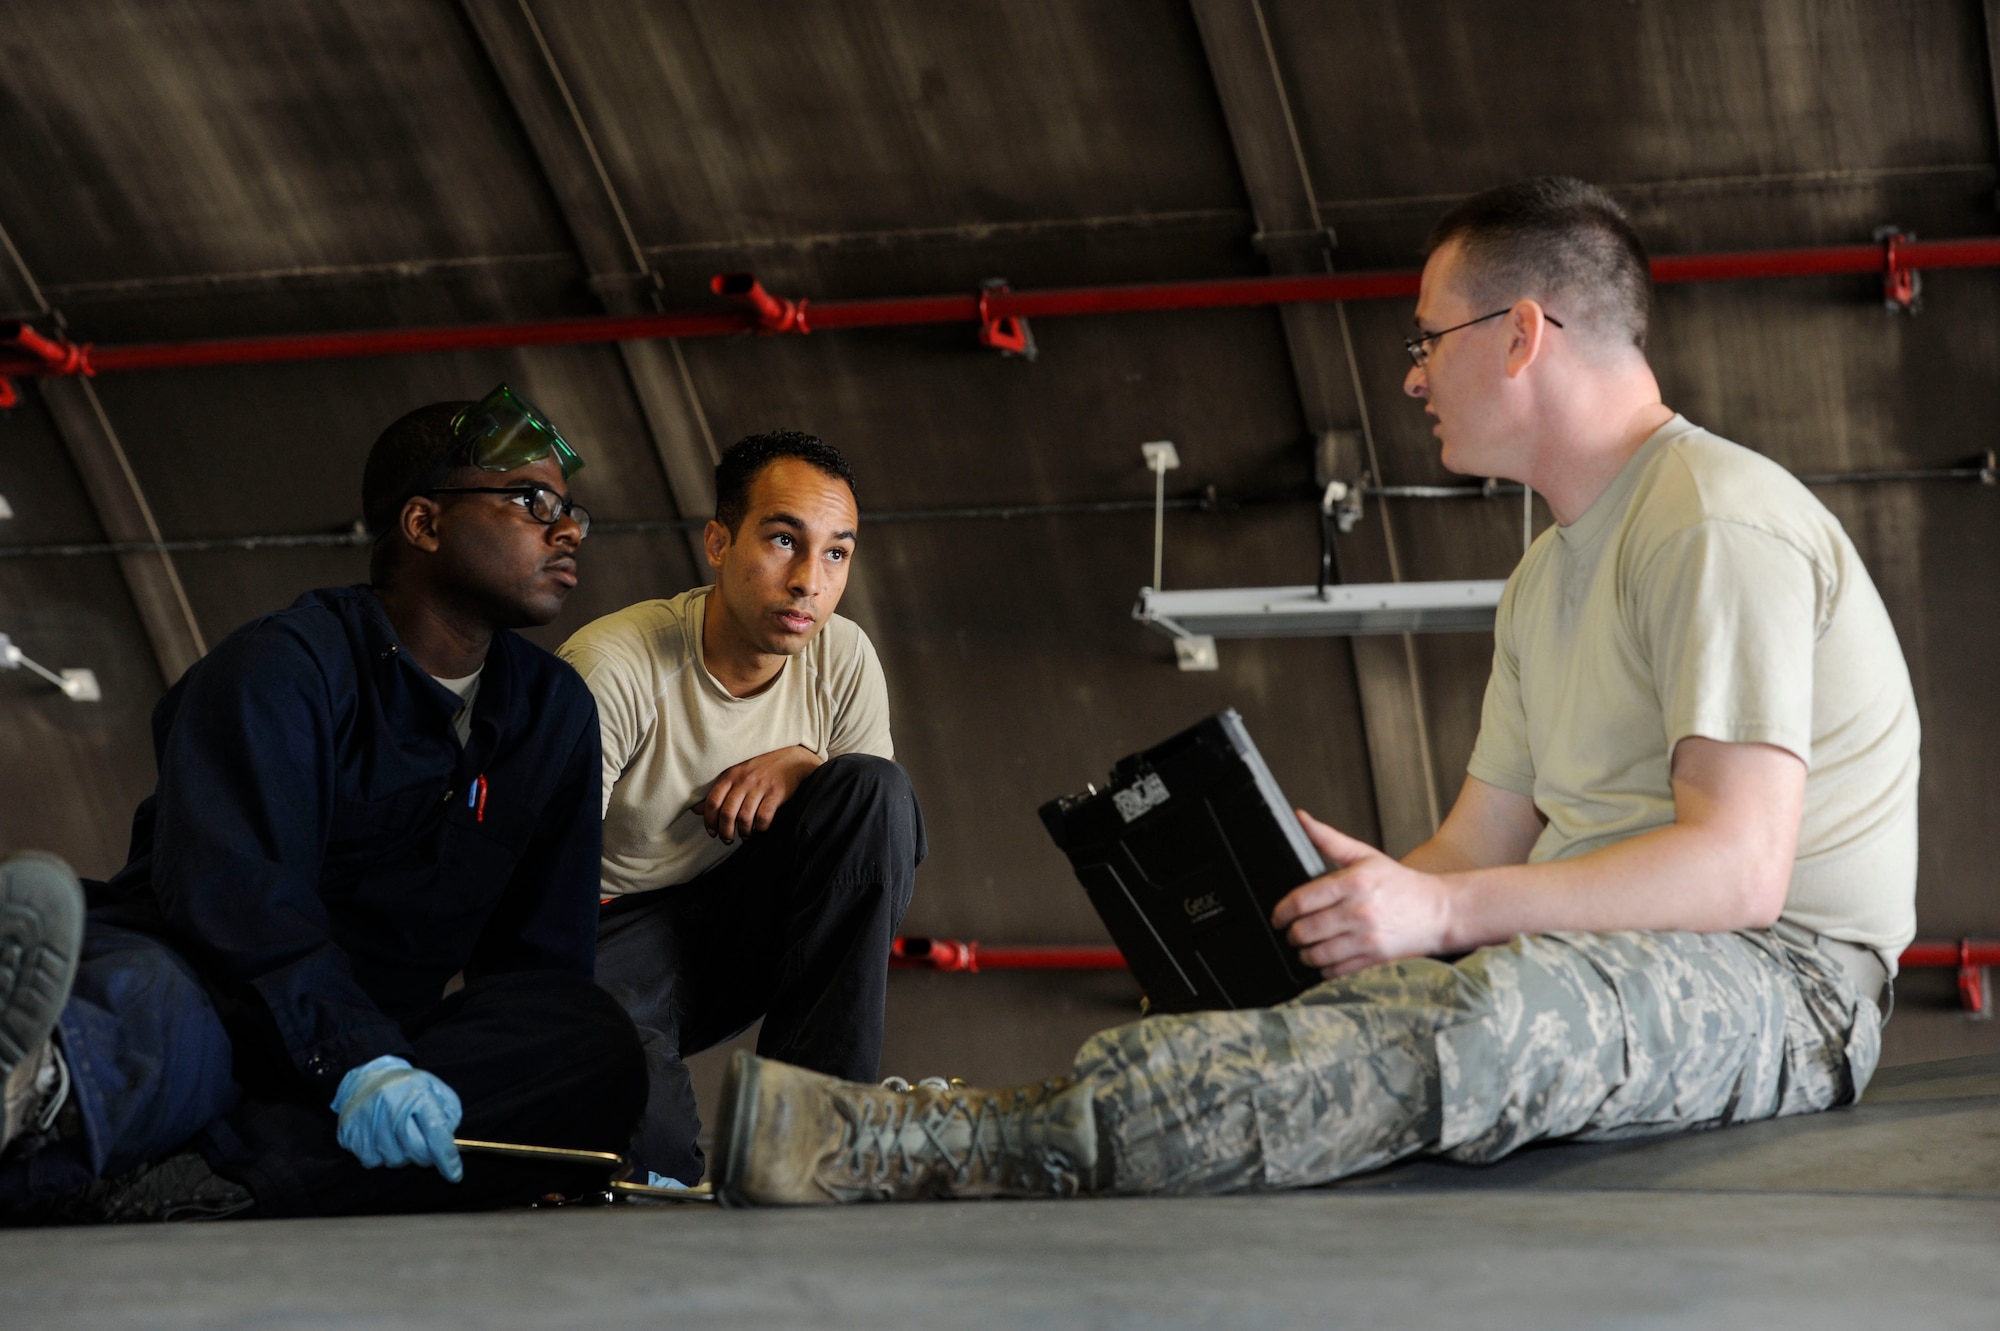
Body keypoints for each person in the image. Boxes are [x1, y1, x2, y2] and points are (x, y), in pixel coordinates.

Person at [706, 177, 1919, 1205]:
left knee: (1485, 1016)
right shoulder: (1542, 575)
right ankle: (1026, 1109)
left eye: (1425, 338)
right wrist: (1352, 895)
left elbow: (1737, 871)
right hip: (1601, 946)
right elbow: (1476, 845)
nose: (1411, 375)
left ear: (1521, 334)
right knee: (1325, 984)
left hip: (1784, 976)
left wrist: (1441, 921)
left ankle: (953, 1147)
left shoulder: (1710, 518)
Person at [0, 385, 645, 1222]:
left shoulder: (553, 713)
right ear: (424, 524)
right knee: (153, 1008)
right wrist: (355, 1059)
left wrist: (570, 1122)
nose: (566, 530)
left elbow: (539, 968)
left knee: (584, 1039)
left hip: (379, 1060)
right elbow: (238, 903)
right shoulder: (279, 669)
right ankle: (41, 1087)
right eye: (531, 501)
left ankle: (186, 1174)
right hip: (224, 1002)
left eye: (570, 512)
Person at [558, 430, 923, 1187]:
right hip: (603, 940)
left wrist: (810, 767)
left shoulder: (842, 657)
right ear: (719, 542)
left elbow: (878, 852)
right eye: (784, 539)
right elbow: (537, 888)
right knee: (650, 1172)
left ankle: (810, 1138)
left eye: (835, 553)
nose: (808, 581)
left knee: (873, 790)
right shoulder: (615, 666)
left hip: (740, 922)